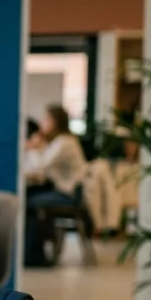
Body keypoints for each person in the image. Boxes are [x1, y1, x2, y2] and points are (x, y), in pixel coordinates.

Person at [24, 104, 88, 266]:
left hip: (69, 194)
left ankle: (34, 255)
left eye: (46, 119)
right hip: (61, 189)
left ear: (55, 122)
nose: (43, 123)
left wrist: (32, 148)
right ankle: (33, 252)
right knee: (30, 198)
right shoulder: (58, 142)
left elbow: (41, 165)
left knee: (30, 203)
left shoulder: (65, 142)